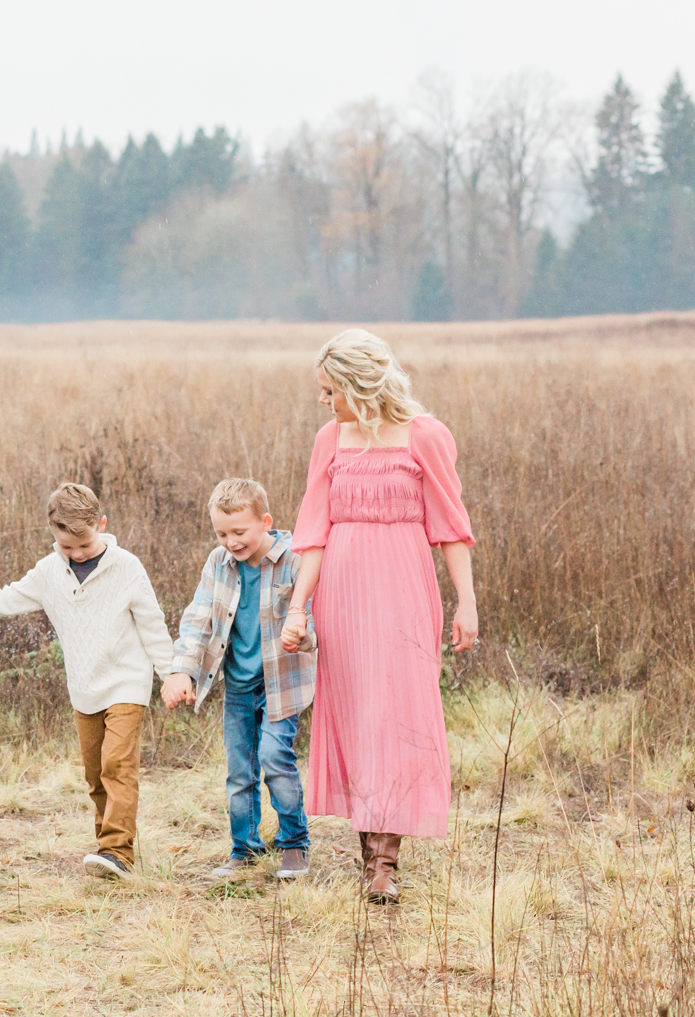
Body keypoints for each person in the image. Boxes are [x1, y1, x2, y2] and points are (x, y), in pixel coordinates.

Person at [278, 328, 479, 905]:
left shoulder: (427, 436)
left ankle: (387, 861)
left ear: (357, 384)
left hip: (405, 587)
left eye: (329, 390)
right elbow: (313, 531)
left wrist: (466, 601)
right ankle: (374, 864)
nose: (323, 401)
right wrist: (298, 609)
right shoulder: (329, 440)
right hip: (342, 588)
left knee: (398, 712)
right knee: (359, 712)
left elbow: (451, 527)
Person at [0, 482, 185, 879]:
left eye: (85, 545)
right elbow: (2, 600)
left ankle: (118, 851)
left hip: (128, 682)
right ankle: (106, 850)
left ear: (102, 524)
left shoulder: (126, 567)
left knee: (117, 765)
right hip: (84, 689)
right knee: (95, 775)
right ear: (53, 535)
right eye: (67, 547)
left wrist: (172, 673)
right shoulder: (48, 573)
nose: (77, 553)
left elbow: (152, 624)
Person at [167, 478, 315, 881]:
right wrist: (182, 669)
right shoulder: (219, 563)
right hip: (238, 683)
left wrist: (302, 634)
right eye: (221, 533)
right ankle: (244, 848)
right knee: (238, 769)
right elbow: (198, 618)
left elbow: (314, 618)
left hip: (282, 681)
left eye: (239, 532)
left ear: (265, 521)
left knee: (274, 758)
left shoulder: (295, 561)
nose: (231, 541)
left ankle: (294, 843)